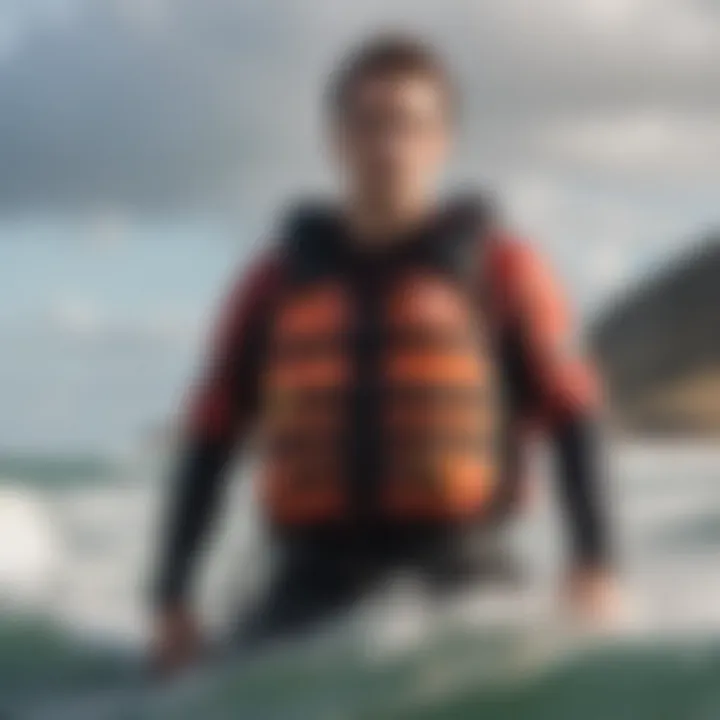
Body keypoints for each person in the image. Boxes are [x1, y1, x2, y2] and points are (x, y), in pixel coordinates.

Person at [152, 35, 618, 674]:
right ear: (335, 139)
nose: (389, 146)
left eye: (411, 126)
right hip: (307, 584)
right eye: (369, 125)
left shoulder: (502, 271)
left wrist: (594, 567)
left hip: (463, 576)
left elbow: (574, 418)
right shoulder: (274, 284)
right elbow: (210, 438)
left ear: (443, 141)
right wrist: (172, 600)